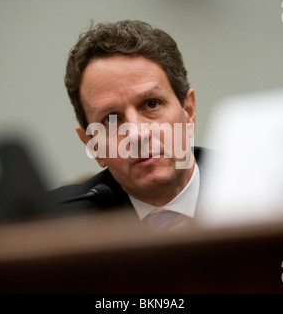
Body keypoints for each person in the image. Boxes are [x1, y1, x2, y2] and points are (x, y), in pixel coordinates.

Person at [49, 20, 210, 233]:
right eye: (111, 120)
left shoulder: (257, 189)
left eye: (151, 104)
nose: (137, 134)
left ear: (188, 111)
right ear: (93, 146)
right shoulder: (54, 227)